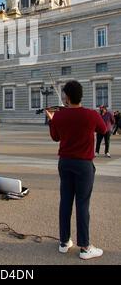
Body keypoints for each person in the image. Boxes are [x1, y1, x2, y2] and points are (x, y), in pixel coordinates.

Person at [47, 80, 106, 260]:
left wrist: (52, 120)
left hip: (65, 162)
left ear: (67, 96)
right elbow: (103, 129)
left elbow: (55, 138)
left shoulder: (59, 116)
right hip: (83, 164)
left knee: (65, 201)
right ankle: (85, 247)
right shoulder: (91, 114)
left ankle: (64, 242)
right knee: (82, 204)